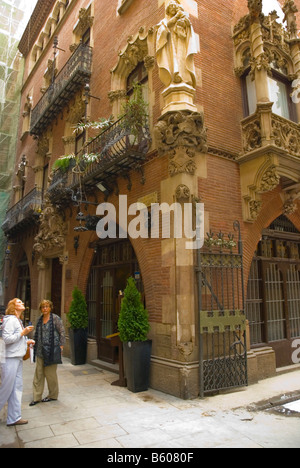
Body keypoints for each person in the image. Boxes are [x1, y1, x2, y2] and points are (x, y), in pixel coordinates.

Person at [0, 298, 35, 426]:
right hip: (10, 359)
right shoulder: (11, 320)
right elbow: (7, 338)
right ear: (13, 306)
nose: (23, 303)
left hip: (17, 357)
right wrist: (23, 333)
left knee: (16, 388)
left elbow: (16, 339)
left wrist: (26, 341)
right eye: (19, 302)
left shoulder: (18, 320)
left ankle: (14, 417)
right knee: (6, 388)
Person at [29, 300, 65, 407]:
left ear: (50, 308)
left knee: (51, 375)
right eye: (43, 307)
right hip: (40, 351)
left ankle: (53, 395)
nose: (45, 308)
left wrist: (61, 346)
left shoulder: (55, 319)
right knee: (38, 374)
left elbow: (62, 332)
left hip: (51, 351)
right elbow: (36, 332)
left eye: (47, 306)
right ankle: (37, 397)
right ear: (40, 309)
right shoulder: (39, 319)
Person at [156, 0, 198, 88]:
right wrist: (175, 19)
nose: (173, 8)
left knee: (181, 59)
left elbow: (188, 30)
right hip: (170, 45)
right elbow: (162, 30)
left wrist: (184, 24)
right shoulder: (164, 21)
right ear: (168, 10)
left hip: (181, 43)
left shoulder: (182, 17)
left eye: (174, 7)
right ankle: (175, 76)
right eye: (170, 7)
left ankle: (184, 77)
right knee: (173, 60)